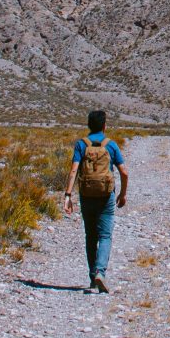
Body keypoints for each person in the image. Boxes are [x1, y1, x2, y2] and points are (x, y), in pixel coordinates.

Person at [63, 110, 128, 293]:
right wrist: (122, 194)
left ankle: (93, 277)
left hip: (86, 196)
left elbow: (74, 171)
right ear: (104, 126)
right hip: (106, 196)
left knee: (90, 236)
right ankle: (100, 272)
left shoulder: (81, 145)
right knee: (105, 235)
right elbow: (124, 173)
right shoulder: (111, 145)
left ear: (89, 125)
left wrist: (68, 195)